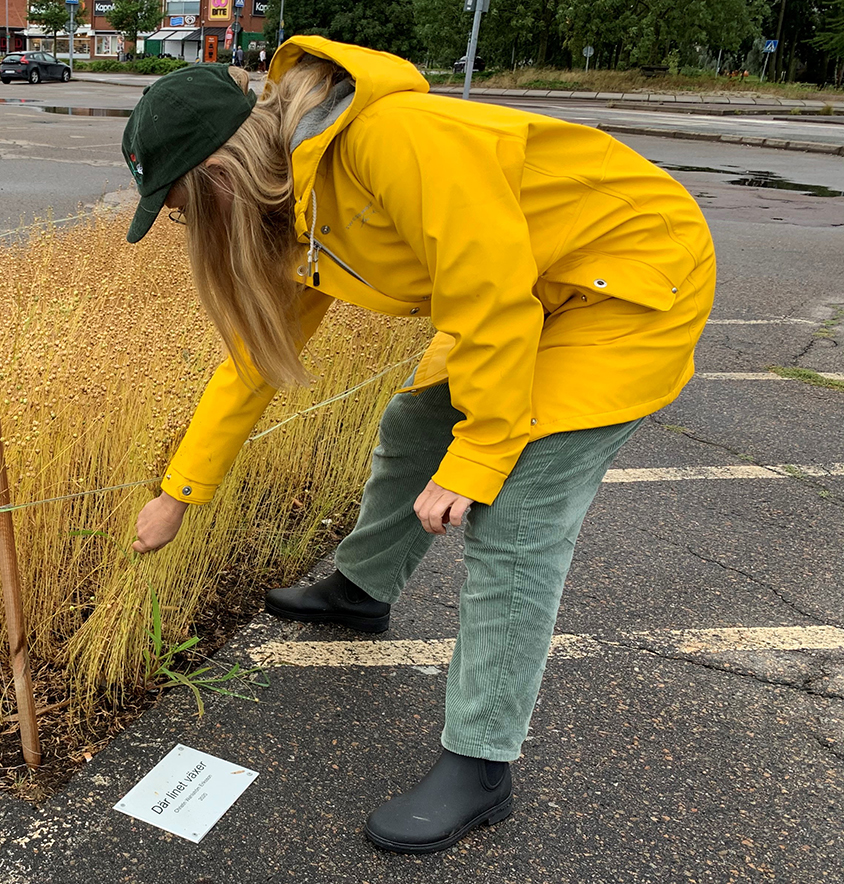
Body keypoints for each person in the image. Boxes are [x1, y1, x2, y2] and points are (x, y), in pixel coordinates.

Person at [121, 41, 713, 854]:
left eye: (184, 208)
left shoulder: (390, 140)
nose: (190, 226)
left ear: (219, 175)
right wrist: (179, 492)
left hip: (626, 283)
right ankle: (362, 590)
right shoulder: (300, 207)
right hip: (532, 289)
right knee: (414, 428)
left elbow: (491, 301)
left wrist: (476, 462)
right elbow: (255, 359)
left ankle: (481, 765)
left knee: (517, 518)